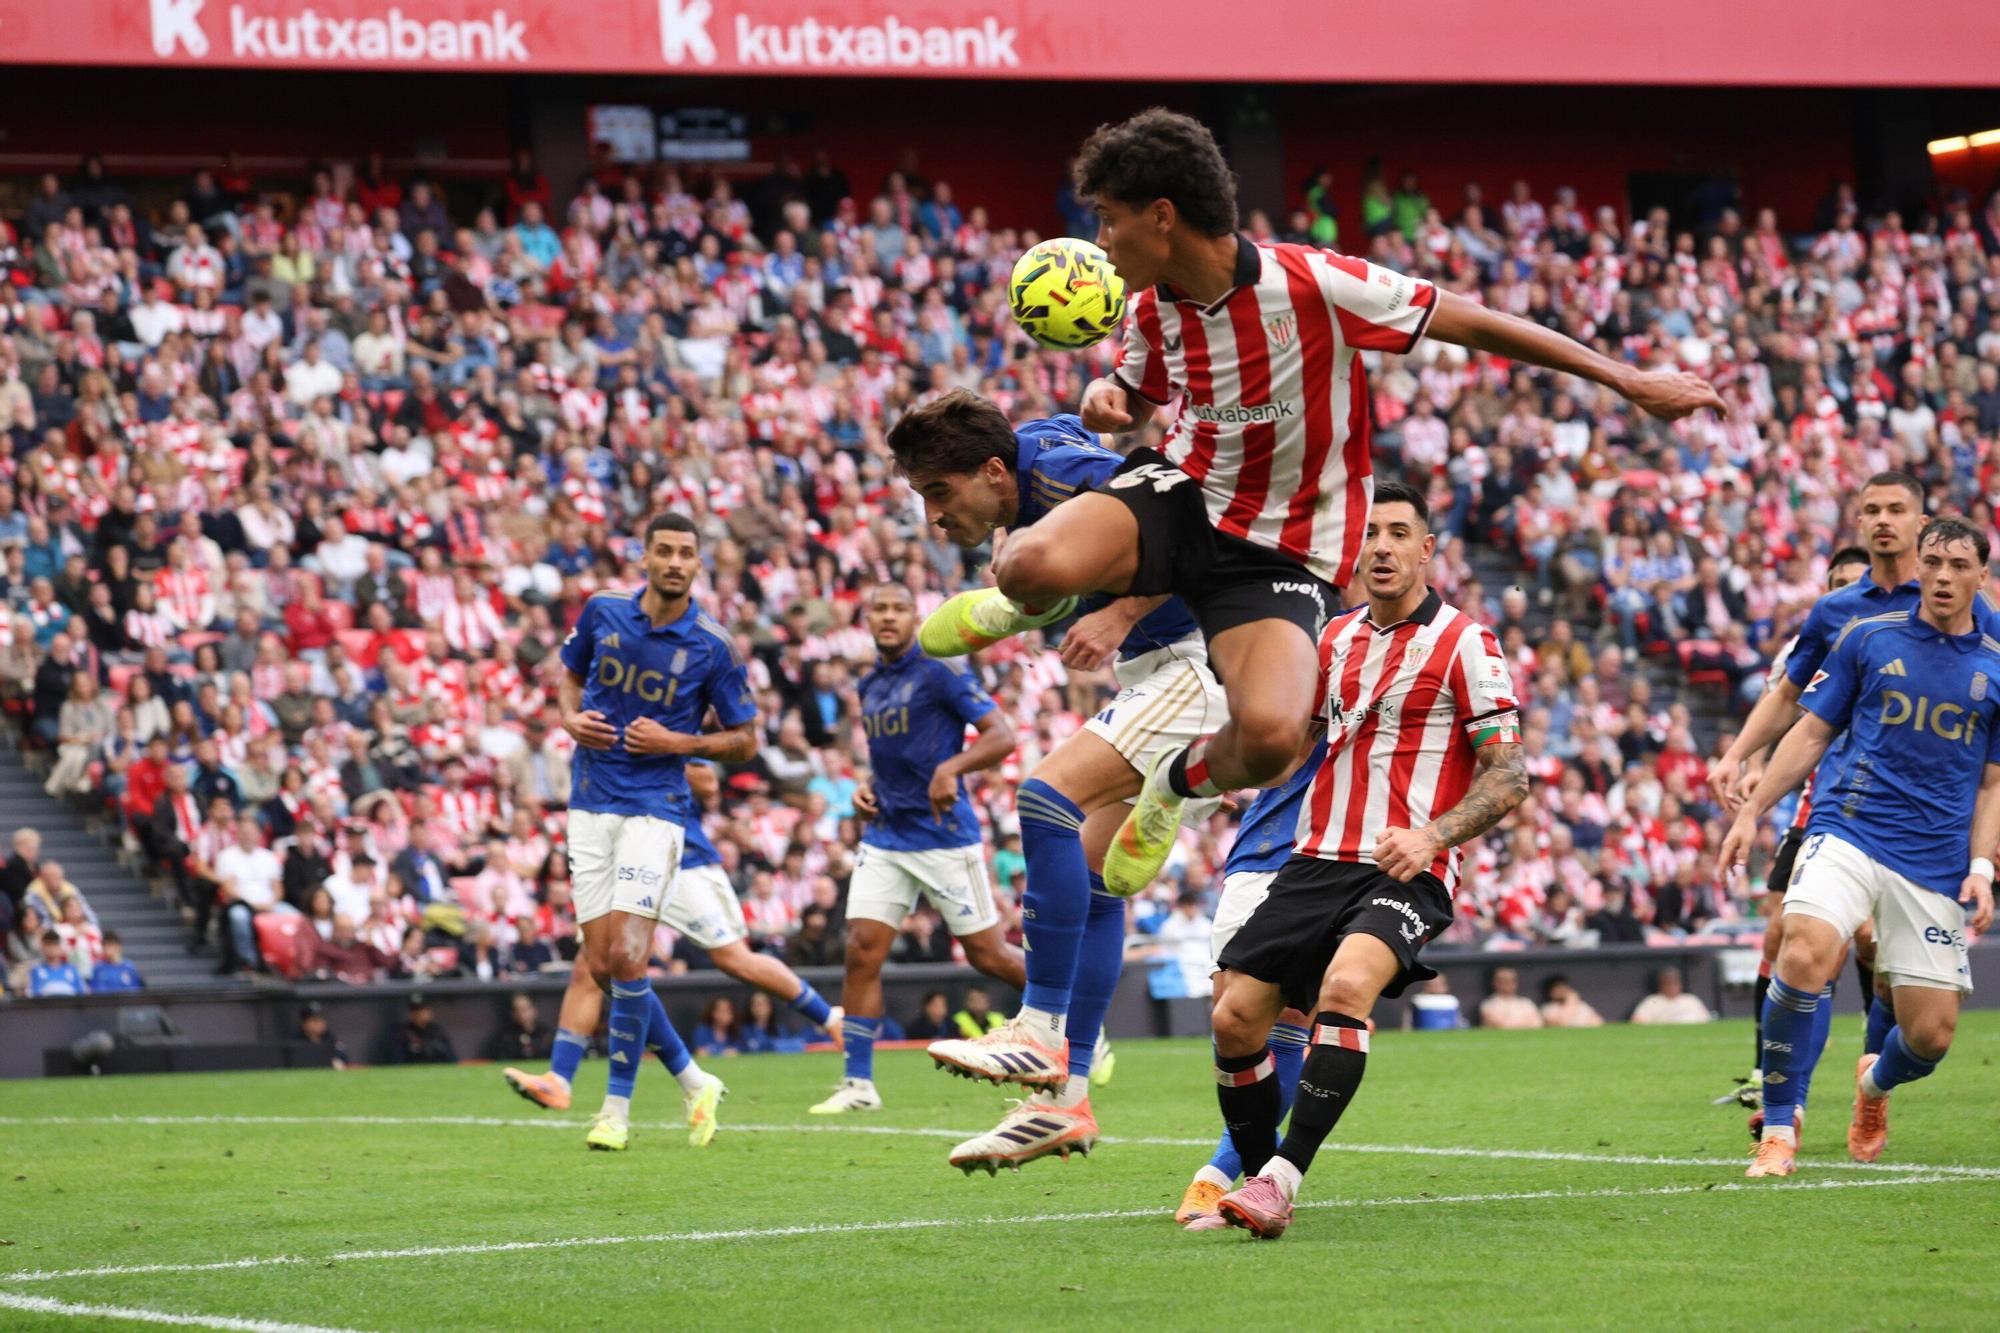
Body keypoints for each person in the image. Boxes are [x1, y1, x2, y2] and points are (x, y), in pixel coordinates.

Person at [919, 109, 1717, 905]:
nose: (1100, 239)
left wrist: (1626, 379)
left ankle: (1171, 786)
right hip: (1185, 496)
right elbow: (1138, 395)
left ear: (1162, 216)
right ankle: (1021, 604)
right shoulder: (1152, 307)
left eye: (1109, 217)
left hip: (1286, 548)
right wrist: (1115, 400)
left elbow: (1476, 322)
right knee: (1026, 561)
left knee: (1268, 740)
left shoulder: (1315, 284)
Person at [887, 399, 1224, 1169]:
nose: (935, 516)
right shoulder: (1037, 454)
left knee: (1043, 798)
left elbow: (1197, 523)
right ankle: (1066, 1099)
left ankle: (1039, 1023)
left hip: (1203, 655)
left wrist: (1122, 611)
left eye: (940, 492)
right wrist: (1106, 401)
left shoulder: (1071, 479)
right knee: (1099, 881)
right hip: (1160, 665)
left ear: (994, 472)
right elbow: (1056, 425)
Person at [1205, 483, 1528, 1239]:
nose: (1381, 545)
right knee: (1233, 1017)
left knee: (1347, 986)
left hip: (1404, 868)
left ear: (1427, 549)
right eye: (1371, 532)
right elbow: (1293, 741)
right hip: (1314, 859)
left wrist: (1433, 837)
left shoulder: (1466, 641)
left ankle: (1281, 1177)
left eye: (1398, 533)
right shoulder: (1332, 638)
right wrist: (1236, 770)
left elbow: (1510, 773)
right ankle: (1256, 1182)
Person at [1721, 517, 2000, 1177]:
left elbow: (1993, 784)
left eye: (1958, 565)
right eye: (1932, 562)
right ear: (1918, 565)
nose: (1941, 576)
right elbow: (1811, 732)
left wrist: (1984, 866)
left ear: (1980, 577)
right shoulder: (1866, 636)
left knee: (1930, 1038)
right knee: (1802, 945)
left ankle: (1873, 1084)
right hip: (1848, 827)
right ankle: (1781, 1129)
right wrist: (1753, 811)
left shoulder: (1994, 663)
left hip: (1933, 861)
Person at [532, 512, 752, 1153]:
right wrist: (571, 719)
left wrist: (680, 742)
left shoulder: (714, 645)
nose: (676, 561)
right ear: (646, 559)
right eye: (665, 551)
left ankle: (615, 1112)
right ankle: (693, 1081)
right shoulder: (602, 612)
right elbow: (568, 674)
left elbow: (745, 739)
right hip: (589, 803)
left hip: (656, 806)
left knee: (628, 957)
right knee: (601, 967)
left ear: (697, 565)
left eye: (687, 552)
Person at [505, 761, 843, 1109]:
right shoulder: (597, 717)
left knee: (734, 959)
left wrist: (647, 760)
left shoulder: (663, 716)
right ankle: (559, 1079)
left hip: (682, 859)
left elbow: (708, 782)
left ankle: (830, 1018)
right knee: (592, 966)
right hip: (623, 861)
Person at [809, 581, 1023, 1117]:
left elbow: (1002, 734)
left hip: (944, 833)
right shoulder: (870, 684)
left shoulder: (941, 668)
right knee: (860, 950)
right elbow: (891, 760)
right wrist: (866, 788)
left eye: (898, 608)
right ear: (866, 618)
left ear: (915, 617)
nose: (887, 617)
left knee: (988, 954)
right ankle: (858, 1083)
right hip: (887, 834)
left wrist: (952, 768)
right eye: (878, 608)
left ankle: (1082, 1022)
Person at [1724, 546, 1869, 1108]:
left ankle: (1872, 1062)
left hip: (1883, 811)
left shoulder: (1905, 632)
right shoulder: (1808, 643)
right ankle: (1772, 1073)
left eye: (1856, 581)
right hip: (1816, 807)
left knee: (1868, 947)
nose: (1849, 591)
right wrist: (1754, 767)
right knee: (1782, 937)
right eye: (1839, 583)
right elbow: (1779, 705)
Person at [1177, 739, 1323, 1229]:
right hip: (1251, 856)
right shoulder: (1288, 674)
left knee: (1285, 1024)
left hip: (1319, 860)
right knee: (1233, 1028)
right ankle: (1265, 1182)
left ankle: (1219, 1174)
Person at [1629, 967, 1712, 1026]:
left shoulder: (1691, 999)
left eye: (1675, 983)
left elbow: (1707, 1021)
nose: (1671, 986)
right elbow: (1637, 1022)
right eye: (1668, 983)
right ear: (1660, 985)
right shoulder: (1653, 1001)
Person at [490, 991, 554, 1063]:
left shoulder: (545, 1033)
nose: (524, 1014)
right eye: (519, 1010)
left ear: (535, 1010)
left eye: (527, 1008)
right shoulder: (506, 1036)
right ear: (513, 1014)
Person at [395, 992, 458, 1064]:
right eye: (416, 1010)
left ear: (429, 1012)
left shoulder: (437, 1031)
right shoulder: (403, 1032)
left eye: (422, 1010)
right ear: (410, 1014)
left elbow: (453, 1059)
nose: (419, 1014)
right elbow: (397, 1061)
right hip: (413, 1072)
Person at [1478, 966, 1544, 1029]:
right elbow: (1502, 1026)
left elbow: (1537, 1024)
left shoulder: (1526, 1002)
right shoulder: (1488, 1004)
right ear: (1494, 982)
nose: (1507, 983)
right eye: (1502, 980)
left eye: (1511, 980)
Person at [28, 929, 84, 997]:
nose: (52, 948)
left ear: (61, 947)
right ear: (42, 947)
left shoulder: (72, 970)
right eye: (48, 944)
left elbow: (81, 995)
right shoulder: (35, 970)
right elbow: (33, 996)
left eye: (55, 944)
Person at [297, 1001, 349, 1070]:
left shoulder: (330, 1039)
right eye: (314, 1020)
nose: (319, 1024)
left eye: (321, 1020)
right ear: (303, 1023)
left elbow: (344, 1060)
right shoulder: (296, 1041)